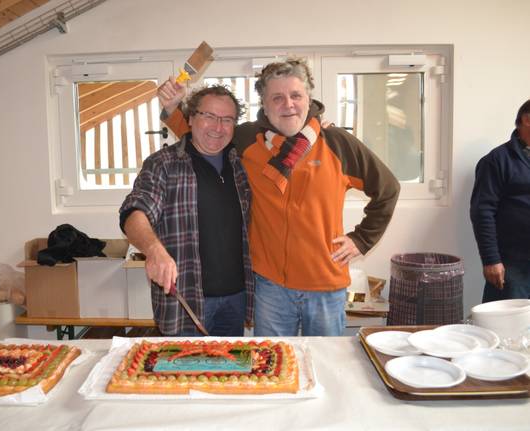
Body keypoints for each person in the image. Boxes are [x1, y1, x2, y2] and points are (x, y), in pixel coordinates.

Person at [159, 59, 400, 336]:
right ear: (264, 104)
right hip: (270, 286)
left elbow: (388, 189)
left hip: (325, 286)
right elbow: (204, 137)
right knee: (272, 367)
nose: (288, 104)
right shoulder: (247, 140)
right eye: (278, 97)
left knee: (324, 366)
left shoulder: (336, 143)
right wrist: (172, 107)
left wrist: (361, 239)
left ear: (308, 98)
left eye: (296, 95)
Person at [119, 85, 253, 336]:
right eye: (209, 116)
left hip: (236, 299)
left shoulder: (241, 165)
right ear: (190, 118)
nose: (218, 127)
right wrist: (153, 250)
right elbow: (134, 211)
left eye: (227, 119)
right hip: (185, 301)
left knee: (228, 374)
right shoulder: (163, 164)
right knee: (184, 374)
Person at [470, 99, 530, 302]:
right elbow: (482, 212)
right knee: (507, 328)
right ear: (527, 120)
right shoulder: (497, 161)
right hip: (513, 266)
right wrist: (491, 259)